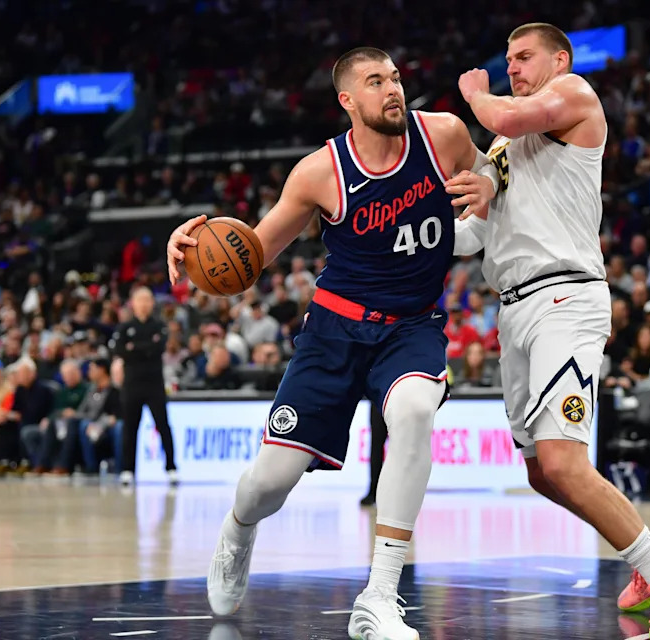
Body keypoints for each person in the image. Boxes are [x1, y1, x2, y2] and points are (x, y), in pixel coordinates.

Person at [165, 47, 499, 639]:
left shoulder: (443, 135)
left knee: (416, 411)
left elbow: (497, 177)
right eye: (375, 82)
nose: (392, 89)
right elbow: (253, 254)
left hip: (412, 325)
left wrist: (489, 191)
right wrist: (193, 249)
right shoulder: (319, 172)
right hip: (334, 332)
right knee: (270, 481)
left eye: (395, 78)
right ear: (347, 100)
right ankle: (239, 527)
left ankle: (379, 594)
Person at [450, 23, 650, 637]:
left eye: (523, 57)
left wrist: (475, 96)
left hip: (564, 298)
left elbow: (511, 117)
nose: (512, 68)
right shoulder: (502, 145)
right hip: (513, 308)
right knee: (542, 471)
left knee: (566, 462)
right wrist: (414, 238)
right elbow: (479, 235)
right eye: (508, 60)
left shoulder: (572, 94)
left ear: (559, 59)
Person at [111, 286, 177, 486]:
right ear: (133, 303)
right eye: (140, 300)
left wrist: (136, 348)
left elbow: (158, 348)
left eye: (148, 299)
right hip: (132, 384)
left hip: (154, 384)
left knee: (163, 425)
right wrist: (144, 348)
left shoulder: (159, 325)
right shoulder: (125, 327)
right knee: (130, 428)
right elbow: (120, 350)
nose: (144, 304)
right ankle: (128, 470)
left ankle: (171, 467)